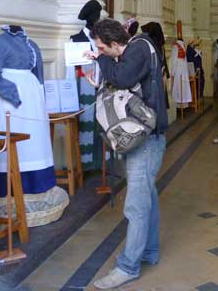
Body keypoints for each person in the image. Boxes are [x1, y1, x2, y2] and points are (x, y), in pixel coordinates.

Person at [85, 19, 168, 290]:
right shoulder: (137, 49)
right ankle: (149, 251)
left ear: (113, 43)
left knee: (135, 204)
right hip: (146, 137)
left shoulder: (139, 48)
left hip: (146, 140)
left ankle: (127, 267)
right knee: (148, 197)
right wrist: (99, 75)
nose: (99, 51)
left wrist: (99, 60)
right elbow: (122, 83)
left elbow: (122, 78)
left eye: (101, 47)